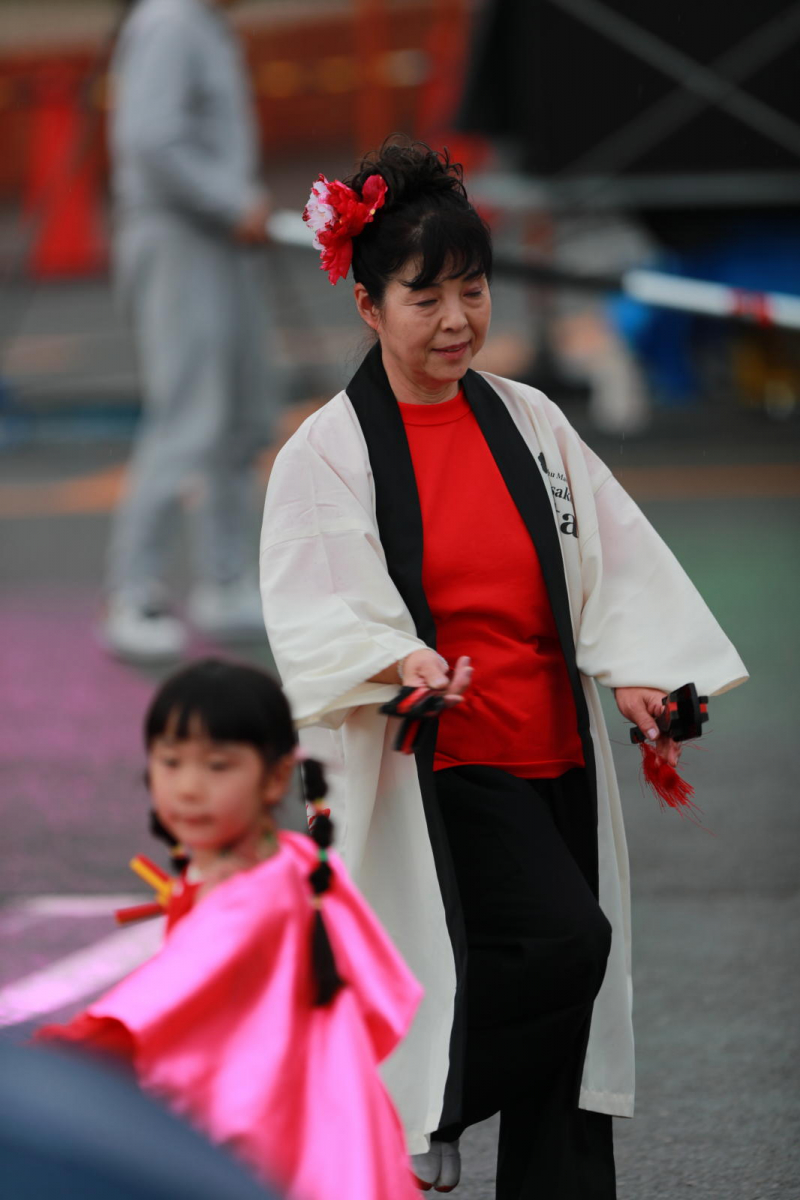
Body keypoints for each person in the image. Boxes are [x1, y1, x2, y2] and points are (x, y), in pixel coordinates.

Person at [259, 140, 748, 1199]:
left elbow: (608, 563)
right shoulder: (327, 453)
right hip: (441, 764)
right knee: (572, 949)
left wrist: (641, 673)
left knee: (570, 1075)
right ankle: (423, 1101)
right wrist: (398, 656)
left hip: (551, 752)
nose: (454, 321)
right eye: (422, 295)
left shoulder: (529, 419)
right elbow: (313, 608)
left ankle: (436, 1103)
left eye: (470, 290)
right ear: (367, 306)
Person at [37, 658, 423, 1200]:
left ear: (276, 777)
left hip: (269, 1129)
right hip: (320, 1113)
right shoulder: (297, 865)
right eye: (171, 763)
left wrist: (45, 1062)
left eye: (218, 767)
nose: (189, 788)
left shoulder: (250, 903)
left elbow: (138, 1019)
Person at [103, 0, 280, 661]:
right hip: (178, 238)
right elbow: (151, 139)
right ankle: (133, 591)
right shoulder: (171, 19)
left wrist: (235, 206)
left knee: (241, 412)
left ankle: (225, 579)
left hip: (218, 239)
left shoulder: (205, 22)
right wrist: (233, 200)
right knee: (187, 413)